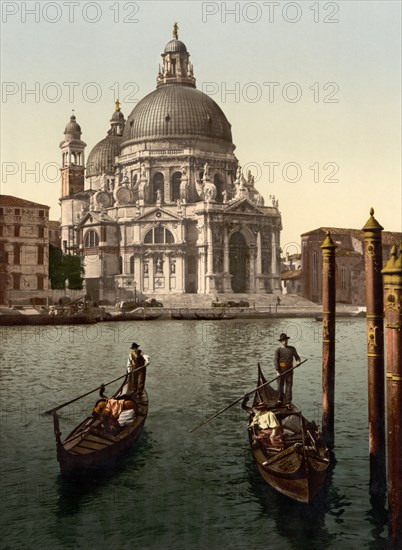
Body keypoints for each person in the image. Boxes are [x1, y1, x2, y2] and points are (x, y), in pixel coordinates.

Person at [275, 333, 300, 407]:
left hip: (289, 370)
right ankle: (280, 400)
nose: (285, 342)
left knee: (289, 386)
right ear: (280, 342)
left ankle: (288, 402)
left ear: (287, 340)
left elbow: (297, 357)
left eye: (286, 340)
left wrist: (298, 362)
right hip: (280, 371)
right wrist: (277, 371)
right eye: (283, 341)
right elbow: (276, 361)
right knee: (280, 386)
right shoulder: (278, 350)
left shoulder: (292, 349)